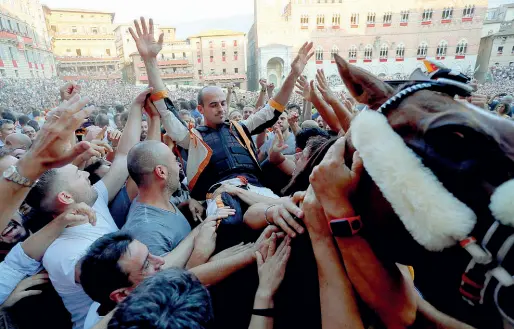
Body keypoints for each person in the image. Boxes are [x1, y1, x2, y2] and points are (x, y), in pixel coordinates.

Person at [129, 17, 314, 219]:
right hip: (219, 195)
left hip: (255, 190)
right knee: (229, 222)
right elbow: (166, 109)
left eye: (223, 103)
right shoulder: (192, 138)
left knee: (290, 215)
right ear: (200, 109)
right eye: (213, 105)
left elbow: (273, 109)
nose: (220, 109)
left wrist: (293, 74)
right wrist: (150, 61)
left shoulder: (241, 128)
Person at [24, 88, 151, 329]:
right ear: (65, 196)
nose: (84, 171)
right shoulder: (64, 253)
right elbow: (139, 280)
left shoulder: (93, 201)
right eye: (77, 174)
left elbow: (123, 156)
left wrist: (136, 107)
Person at [80, 227, 275, 329]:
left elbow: (181, 278)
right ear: (122, 295)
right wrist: (264, 295)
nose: (161, 262)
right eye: (146, 264)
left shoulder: (124, 297)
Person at [122, 140, 192, 256]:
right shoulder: (148, 231)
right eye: (175, 161)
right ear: (161, 172)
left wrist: (187, 204)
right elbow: (169, 274)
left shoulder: (158, 199)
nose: (179, 166)